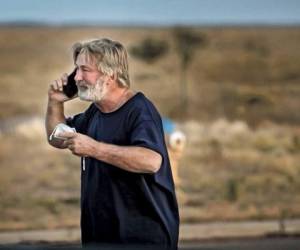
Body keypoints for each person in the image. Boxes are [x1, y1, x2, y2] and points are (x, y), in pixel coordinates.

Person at [45, 38, 179, 249]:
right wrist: (55, 102)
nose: (77, 77)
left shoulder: (139, 111)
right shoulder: (95, 112)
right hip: (100, 236)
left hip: (141, 239)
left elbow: (151, 161)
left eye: (85, 70)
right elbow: (57, 137)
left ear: (111, 74)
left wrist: (94, 148)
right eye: (76, 70)